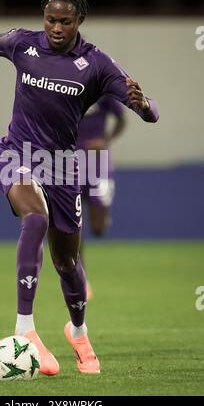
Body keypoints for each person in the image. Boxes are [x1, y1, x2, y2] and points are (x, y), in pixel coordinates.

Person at [0, 0, 159, 376]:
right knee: (35, 218)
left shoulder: (96, 64)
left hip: (64, 167)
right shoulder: (23, 44)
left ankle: (78, 333)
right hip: (17, 154)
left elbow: (150, 113)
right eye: (51, 19)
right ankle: (25, 330)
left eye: (65, 21)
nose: (56, 28)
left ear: (79, 20)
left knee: (67, 261)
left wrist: (145, 104)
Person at [76, 95, 127, 299]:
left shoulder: (103, 93)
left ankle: (102, 219)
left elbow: (122, 119)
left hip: (98, 164)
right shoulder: (66, 88)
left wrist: (105, 140)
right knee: (73, 224)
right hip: (70, 163)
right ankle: (82, 281)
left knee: (98, 228)